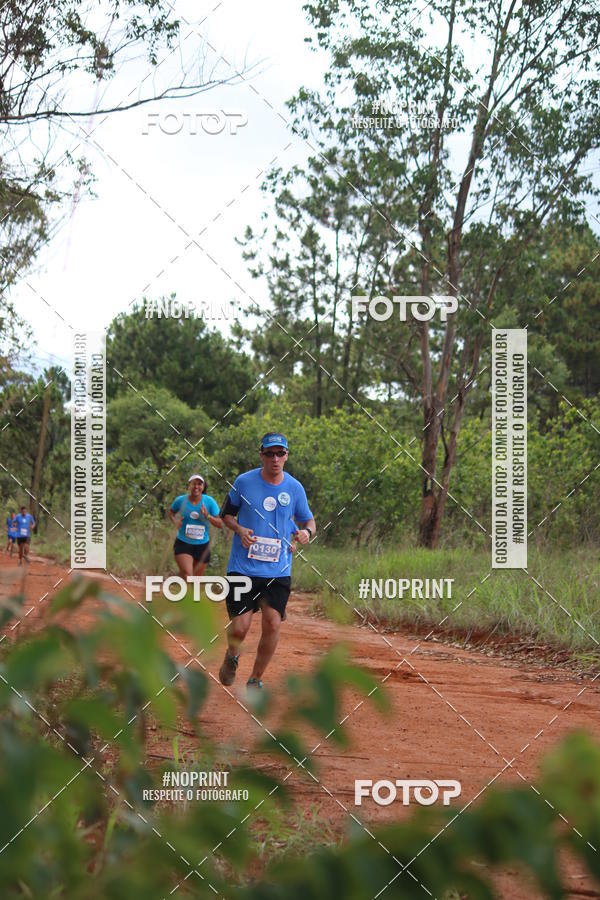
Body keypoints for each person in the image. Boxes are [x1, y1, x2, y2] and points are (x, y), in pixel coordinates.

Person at [219, 432, 316, 690]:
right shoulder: (244, 482)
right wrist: (239, 530)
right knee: (240, 628)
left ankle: (255, 679)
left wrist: (306, 533)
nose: (275, 458)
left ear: (287, 456)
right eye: (270, 453)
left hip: (278, 568)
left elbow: (309, 521)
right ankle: (232, 655)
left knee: (273, 623)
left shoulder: (295, 488)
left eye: (280, 453)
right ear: (261, 455)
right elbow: (226, 515)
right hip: (242, 568)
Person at [168, 475, 222, 579]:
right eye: (193, 483)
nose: (196, 486)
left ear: (203, 486)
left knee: (195, 583)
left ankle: (185, 594)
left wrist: (208, 516)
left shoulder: (209, 501)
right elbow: (170, 512)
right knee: (188, 576)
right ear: (188, 486)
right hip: (183, 543)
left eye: (199, 484)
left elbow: (220, 523)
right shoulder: (180, 500)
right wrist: (175, 521)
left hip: (202, 546)